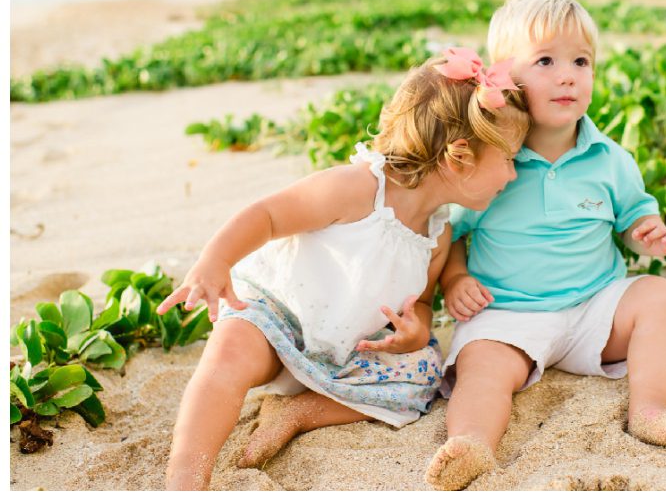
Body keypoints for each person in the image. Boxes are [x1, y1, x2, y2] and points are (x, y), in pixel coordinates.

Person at [159, 49, 528, 489]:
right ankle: (185, 478)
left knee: (424, 376)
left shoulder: (436, 234)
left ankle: (299, 413)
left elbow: (424, 302)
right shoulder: (358, 187)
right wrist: (215, 261)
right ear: (460, 156)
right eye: (508, 159)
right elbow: (268, 216)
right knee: (227, 359)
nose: (512, 175)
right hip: (275, 316)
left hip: (347, 353)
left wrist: (414, 331)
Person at [425, 0, 666, 491]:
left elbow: (634, 214)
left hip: (593, 308)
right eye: (546, 61)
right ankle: (471, 443)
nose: (568, 75)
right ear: (505, 79)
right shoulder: (489, 161)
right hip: (506, 313)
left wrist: (647, 234)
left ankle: (651, 408)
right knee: (481, 364)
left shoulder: (609, 158)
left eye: (581, 61)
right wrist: (456, 277)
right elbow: (455, 233)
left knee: (658, 296)